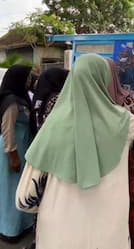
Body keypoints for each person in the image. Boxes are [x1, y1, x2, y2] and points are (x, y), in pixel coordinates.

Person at [16, 54, 134, 249]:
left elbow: (24, 199)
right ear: (103, 81)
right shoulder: (121, 119)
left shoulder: (53, 123)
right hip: (106, 230)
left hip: (58, 231)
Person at [24, 67, 69, 249]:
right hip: (54, 158)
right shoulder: (57, 99)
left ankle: (38, 239)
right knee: (52, 201)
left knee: (41, 199)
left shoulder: (39, 98)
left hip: (40, 155)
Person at [106, 58, 134, 249]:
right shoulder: (127, 99)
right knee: (125, 200)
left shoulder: (89, 98)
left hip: (97, 161)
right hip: (123, 159)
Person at [0, 65, 34, 242]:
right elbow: (7, 130)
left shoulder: (20, 98)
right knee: (11, 189)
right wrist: (13, 156)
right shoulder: (11, 102)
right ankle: (9, 230)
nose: (30, 81)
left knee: (19, 187)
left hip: (21, 148)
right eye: (27, 77)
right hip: (12, 150)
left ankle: (22, 224)